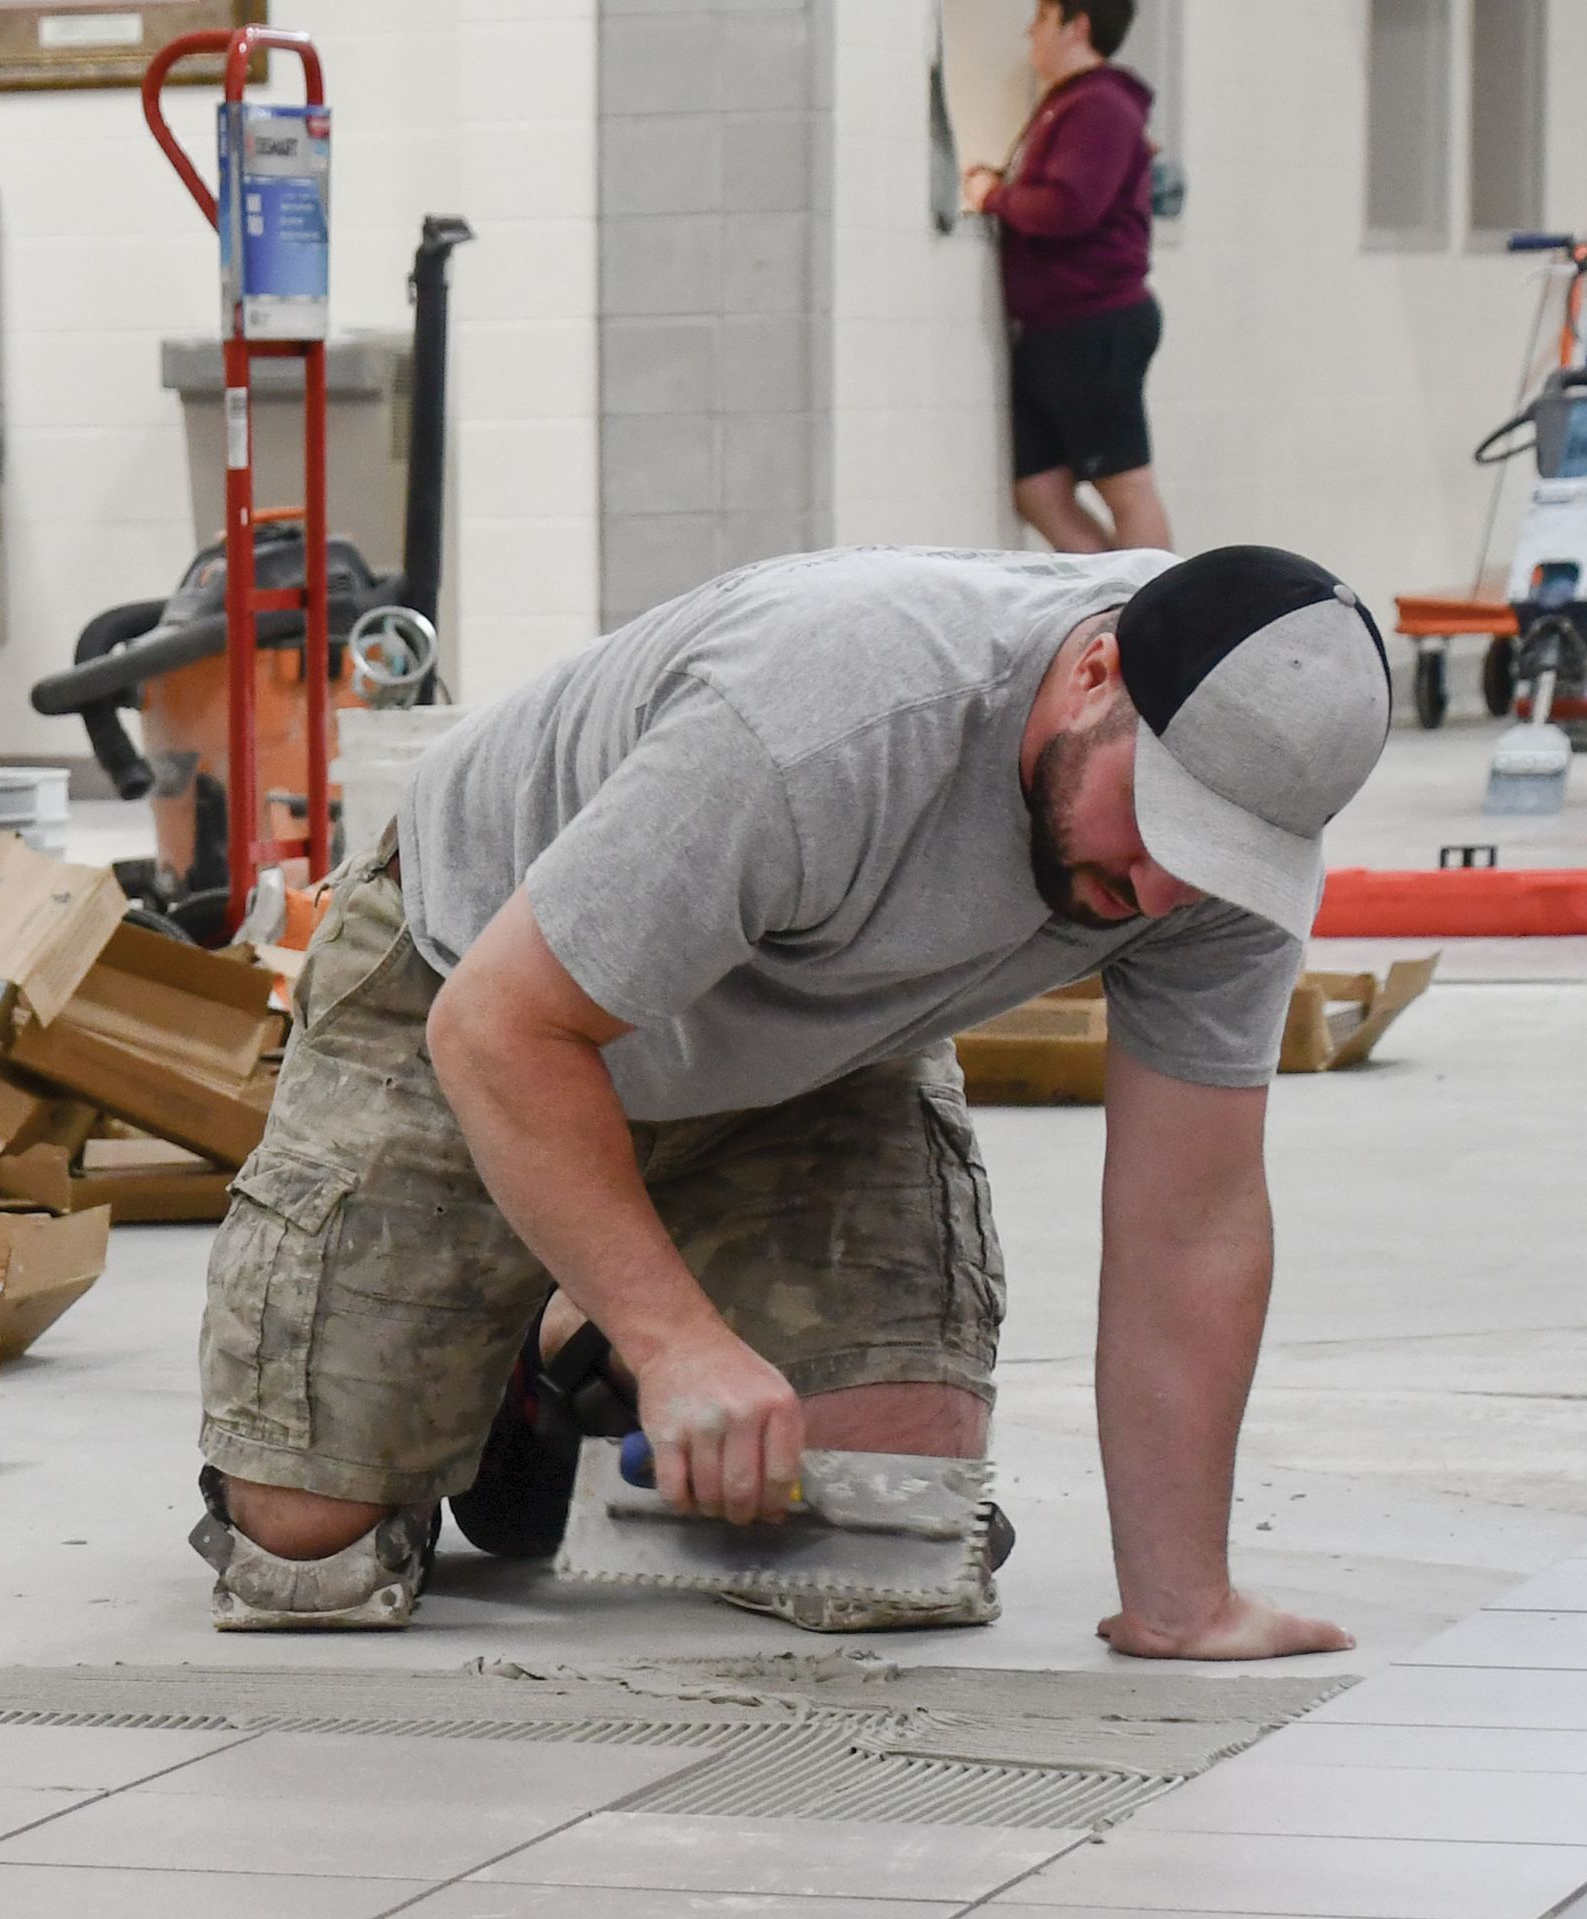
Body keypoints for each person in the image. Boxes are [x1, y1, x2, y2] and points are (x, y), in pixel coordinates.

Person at [192, 541, 1391, 1659]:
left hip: (807, 1060)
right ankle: (546, 1331)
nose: (1166, 885)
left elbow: (1192, 1216)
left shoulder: (1212, 871)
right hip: (475, 987)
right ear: (1094, 671)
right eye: (1161, 819)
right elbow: (502, 1026)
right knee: (307, 1549)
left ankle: (571, 1366)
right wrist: (678, 1341)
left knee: (887, 1542)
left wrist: (1182, 1601)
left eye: (1218, 855)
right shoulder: (827, 716)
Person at [963, 0, 1174, 556]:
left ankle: (1159, 627)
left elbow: (1070, 206)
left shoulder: (1101, 104)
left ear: (1077, 25)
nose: (1029, 32)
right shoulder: (1066, 103)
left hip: (1095, 318)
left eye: (1041, 18)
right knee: (1037, 488)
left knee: (1124, 483)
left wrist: (994, 196)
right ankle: (1109, 605)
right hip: (1054, 325)